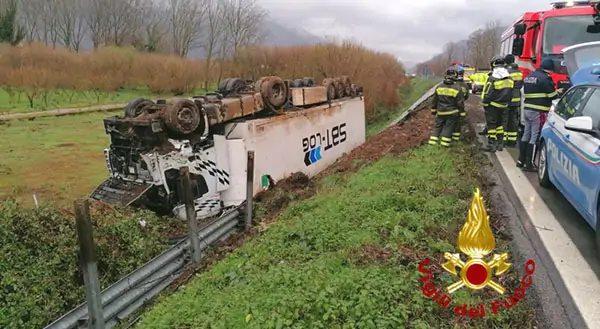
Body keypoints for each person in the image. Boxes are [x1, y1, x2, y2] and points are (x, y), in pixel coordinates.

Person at [518, 58, 562, 171]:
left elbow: (536, 92)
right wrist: (558, 92)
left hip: (527, 109)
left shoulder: (529, 77)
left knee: (526, 135)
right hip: (539, 110)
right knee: (535, 137)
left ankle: (520, 160)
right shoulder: (546, 79)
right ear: (550, 69)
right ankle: (529, 164)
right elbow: (552, 96)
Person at [481, 56, 514, 152]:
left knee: (491, 125)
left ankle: (492, 144)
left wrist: (485, 103)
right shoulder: (509, 78)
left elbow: (488, 92)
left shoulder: (492, 78)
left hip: (493, 106)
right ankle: (500, 144)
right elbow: (511, 93)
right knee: (500, 125)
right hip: (504, 106)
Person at [429, 67, 465, 148]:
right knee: (448, 127)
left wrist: (433, 110)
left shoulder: (439, 87)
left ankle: (432, 143)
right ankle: (444, 145)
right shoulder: (457, 88)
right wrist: (462, 113)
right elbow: (460, 103)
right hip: (452, 113)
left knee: (438, 126)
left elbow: (434, 100)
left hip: (441, 111)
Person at [503, 54, 523, 148]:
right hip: (516, 100)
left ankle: (503, 140)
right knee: (513, 120)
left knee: (504, 119)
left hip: (507, 99)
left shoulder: (506, 72)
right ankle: (512, 141)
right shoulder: (519, 71)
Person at [453, 66, 470, 141]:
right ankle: (456, 139)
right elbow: (467, 95)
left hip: (452, 105)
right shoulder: (465, 85)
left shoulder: (453, 84)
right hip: (461, 105)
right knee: (458, 123)